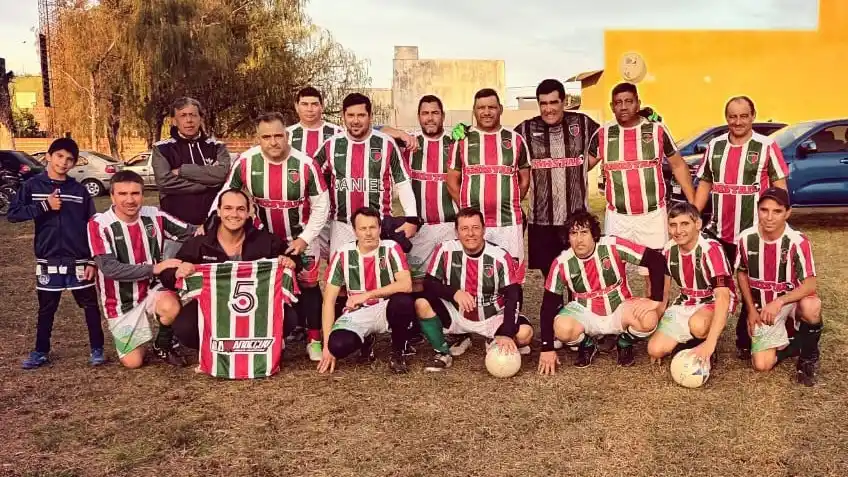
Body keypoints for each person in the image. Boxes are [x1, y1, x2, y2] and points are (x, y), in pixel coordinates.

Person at [217, 112, 330, 361]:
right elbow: (227, 195)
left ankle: (314, 339)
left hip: (301, 238)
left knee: (309, 285)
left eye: (278, 135)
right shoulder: (246, 162)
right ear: (258, 139)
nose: (273, 142)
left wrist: (306, 238)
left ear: (287, 135)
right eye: (266, 137)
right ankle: (273, 335)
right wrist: (210, 223)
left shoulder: (305, 164)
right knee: (267, 287)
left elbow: (322, 205)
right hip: (264, 240)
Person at [694, 96, 789, 360]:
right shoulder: (715, 146)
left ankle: (746, 336)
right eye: (732, 116)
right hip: (719, 231)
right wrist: (693, 215)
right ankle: (702, 335)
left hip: (753, 234)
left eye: (743, 116)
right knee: (713, 285)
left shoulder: (767, 146)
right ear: (726, 118)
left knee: (753, 285)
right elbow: (704, 184)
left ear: (753, 116)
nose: (737, 121)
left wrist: (778, 223)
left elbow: (780, 189)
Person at [587, 82, 695, 295]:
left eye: (629, 101)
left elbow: (678, 165)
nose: (624, 107)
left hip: (651, 216)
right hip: (618, 217)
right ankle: (621, 321)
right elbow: (581, 167)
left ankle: (653, 319)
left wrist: (692, 204)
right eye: (618, 103)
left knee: (654, 274)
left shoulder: (656, 131)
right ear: (612, 106)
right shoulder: (602, 134)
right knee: (614, 273)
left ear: (638, 103)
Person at [159, 189, 299, 349]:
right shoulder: (200, 243)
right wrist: (178, 271)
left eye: (240, 209)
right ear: (218, 211)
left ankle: (262, 340)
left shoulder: (265, 241)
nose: (234, 214)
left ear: (248, 213)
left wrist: (290, 261)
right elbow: (168, 274)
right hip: (212, 306)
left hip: (256, 305)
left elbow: (293, 257)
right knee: (185, 328)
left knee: (288, 317)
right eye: (228, 208)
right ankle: (213, 348)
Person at [9, 138, 105, 369]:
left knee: (90, 306)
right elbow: (14, 214)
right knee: (46, 308)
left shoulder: (79, 190)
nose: (64, 162)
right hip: (48, 259)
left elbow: (92, 225)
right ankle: (41, 351)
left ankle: (97, 348)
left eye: (69, 159)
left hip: (79, 259)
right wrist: (44, 206)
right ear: (49, 156)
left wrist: (92, 260)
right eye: (60, 156)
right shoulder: (32, 187)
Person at [87, 171, 198, 369]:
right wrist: (156, 268)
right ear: (112, 196)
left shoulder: (154, 215)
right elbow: (110, 269)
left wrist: (227, 219)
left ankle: (162, 344)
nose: (130, 200)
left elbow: (195, 232)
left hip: (153, 289)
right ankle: (136, 338)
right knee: (133, 362)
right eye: (122, 194)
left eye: (135, 193)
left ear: (143, 194)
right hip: (120, 299)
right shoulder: (99, 224)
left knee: (171, 307)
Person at [537, 210, 666, 373]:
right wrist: (547, 348)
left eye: (584, 232)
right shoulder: (561, 263)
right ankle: (587, 344)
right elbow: (548, 306)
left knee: (649, 318)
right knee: (561, 328)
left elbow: (656, 259)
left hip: (620, 307)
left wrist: (655, 299)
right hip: (585, 312)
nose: (579, 239)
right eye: (573, 233)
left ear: (594, 234)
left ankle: (624, 342)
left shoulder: (612, 245)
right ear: (567, 237)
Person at [413, 208, 532, 371]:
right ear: (456, 231)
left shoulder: (500, 256)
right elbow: (429, 284)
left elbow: (514, 295)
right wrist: (454, 293)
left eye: (475, 228)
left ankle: (493, 338)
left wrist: (507, 331)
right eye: (464, 228)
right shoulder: (445, 250)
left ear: (484, 229)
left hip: (491, 316)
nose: (470, 233)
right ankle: (442, 352)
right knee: (421, 303)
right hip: (457, 314)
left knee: (524, 335)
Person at [513, 79, 600, 282]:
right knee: (550, 276)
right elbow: (499, 143)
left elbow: (609, 136)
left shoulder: (583, 124)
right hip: (541, 219)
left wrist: (644, 118)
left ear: (564, 101)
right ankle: (555, 310)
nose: (549, 109)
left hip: (575, 218)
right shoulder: (525, 130)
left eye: (554, 102)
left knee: (579, 273)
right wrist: (466, 134)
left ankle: (576, 310)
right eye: (543, 103)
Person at [312, 93, 419, 256]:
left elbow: (402, 182)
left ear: (370, 116)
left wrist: (411, 218)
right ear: (343, 116)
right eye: (351, 115)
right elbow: (309, 179)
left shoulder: (386, 143)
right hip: (343, 225)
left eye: (361, 115)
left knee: (378, 276)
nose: (355, 120)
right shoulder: (331, 145)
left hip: (378, 225)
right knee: (342, 276)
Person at [735, 187, 822, 386]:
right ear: (757, 210)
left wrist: (780, 301)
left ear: (787, 213)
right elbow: (741, 272)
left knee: (812, 306)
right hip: (763, 306)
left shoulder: (797, 241)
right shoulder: (746, 238)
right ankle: (794, 345)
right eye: (764, 210)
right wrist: (750, 310)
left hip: (789, 301)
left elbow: (810, 283)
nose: (769, 217)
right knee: (761, 365)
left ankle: (808, 359)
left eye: (777, 211)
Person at [317, 207, 416, 374]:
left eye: (372, 227)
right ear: (355, 231)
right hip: (357, 313)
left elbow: (406, 285)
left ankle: (398, 352)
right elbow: (329, 301)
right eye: (363, 228)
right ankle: (366, 340)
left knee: (403, 301)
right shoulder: (342, 254)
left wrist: (367, 295)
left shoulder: (391, 248)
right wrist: (327, 345)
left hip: (385, 308)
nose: (368, 233)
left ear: (380, 228)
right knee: (338, 346)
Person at [447, 88, 531, 277]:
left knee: (511, 275)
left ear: (500, 109)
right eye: (481, 108)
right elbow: (452, 181)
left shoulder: (516, 140)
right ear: (474, 111)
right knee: (473, 275)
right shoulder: (462, 140)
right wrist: (468, 210)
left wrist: (508, 201)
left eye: (491, 107)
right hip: (474, 225)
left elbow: (524, 180)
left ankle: (512, 307)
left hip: (508, 223)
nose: (486, 112)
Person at [646, 202, 736, 365]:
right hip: (686, 301)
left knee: (698, 325)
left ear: (698, 224)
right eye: (673, 225)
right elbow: (664, 293)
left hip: (713, 302)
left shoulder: (711, 249)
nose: (678, 231)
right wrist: (654, 320)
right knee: (655, 349)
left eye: (684, 224)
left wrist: (710, 344)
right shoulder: (668, 250)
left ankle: (705, 343)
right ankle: (687, 344)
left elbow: (723, 297)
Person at [152, 97, 231, 257]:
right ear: (174, 121)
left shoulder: (217, 147)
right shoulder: (162, 149)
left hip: (214, 227)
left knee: (212, 276)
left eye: (193, 115)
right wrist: (207, 183)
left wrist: (182, 171)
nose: (189, 120)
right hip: (176, 230)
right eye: (183, 115)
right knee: (174, 275)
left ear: (200, 118)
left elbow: (222, 174)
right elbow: (165, 182)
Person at [403, 95, 459, 282]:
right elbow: (376, 132)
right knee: (417, 281)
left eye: (435, 113)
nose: (430, 118)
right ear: (418, 116)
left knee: (450, 280)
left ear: (443, 116)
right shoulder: (409, 143)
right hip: (420, 228)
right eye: (425, 113)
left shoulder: (456, 143)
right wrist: (400, 134)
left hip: (450, 226)